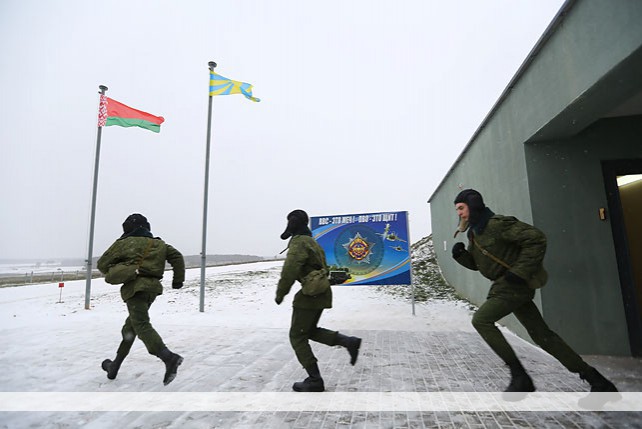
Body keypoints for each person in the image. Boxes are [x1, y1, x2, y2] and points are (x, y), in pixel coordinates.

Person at [451, 189, 618, 393]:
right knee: (542, 335)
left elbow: (536, 238)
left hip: (513, 286)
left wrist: (520, 271)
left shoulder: (496, 225)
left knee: (481, 320)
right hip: (505, 286)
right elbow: (479, 265)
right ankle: (597, 380)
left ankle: (520, 377)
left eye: (461, 208)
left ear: (473, 205)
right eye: (457, 209)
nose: (459, 213)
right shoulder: (475, 232)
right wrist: (461, 256)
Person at [275, 209, 362, 392]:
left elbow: (289, 271)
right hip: (321, 292)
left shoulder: (299, 244)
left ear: (292, 225)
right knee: (309, 331)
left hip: (310, 295)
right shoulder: (312, 242)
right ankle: (348, 342)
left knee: (297, 336)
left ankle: (315, 379)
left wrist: (280, 293)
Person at [97, 213, 186, 386]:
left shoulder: (123, 244)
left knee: (141, 324)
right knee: (131, 328)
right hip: (152, 289)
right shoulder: (159, 244)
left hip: (135, 289)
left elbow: (102, 265)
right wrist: (177, 280)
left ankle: (168, 357)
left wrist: (121, 267)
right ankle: (114, 366)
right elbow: (177, 257)